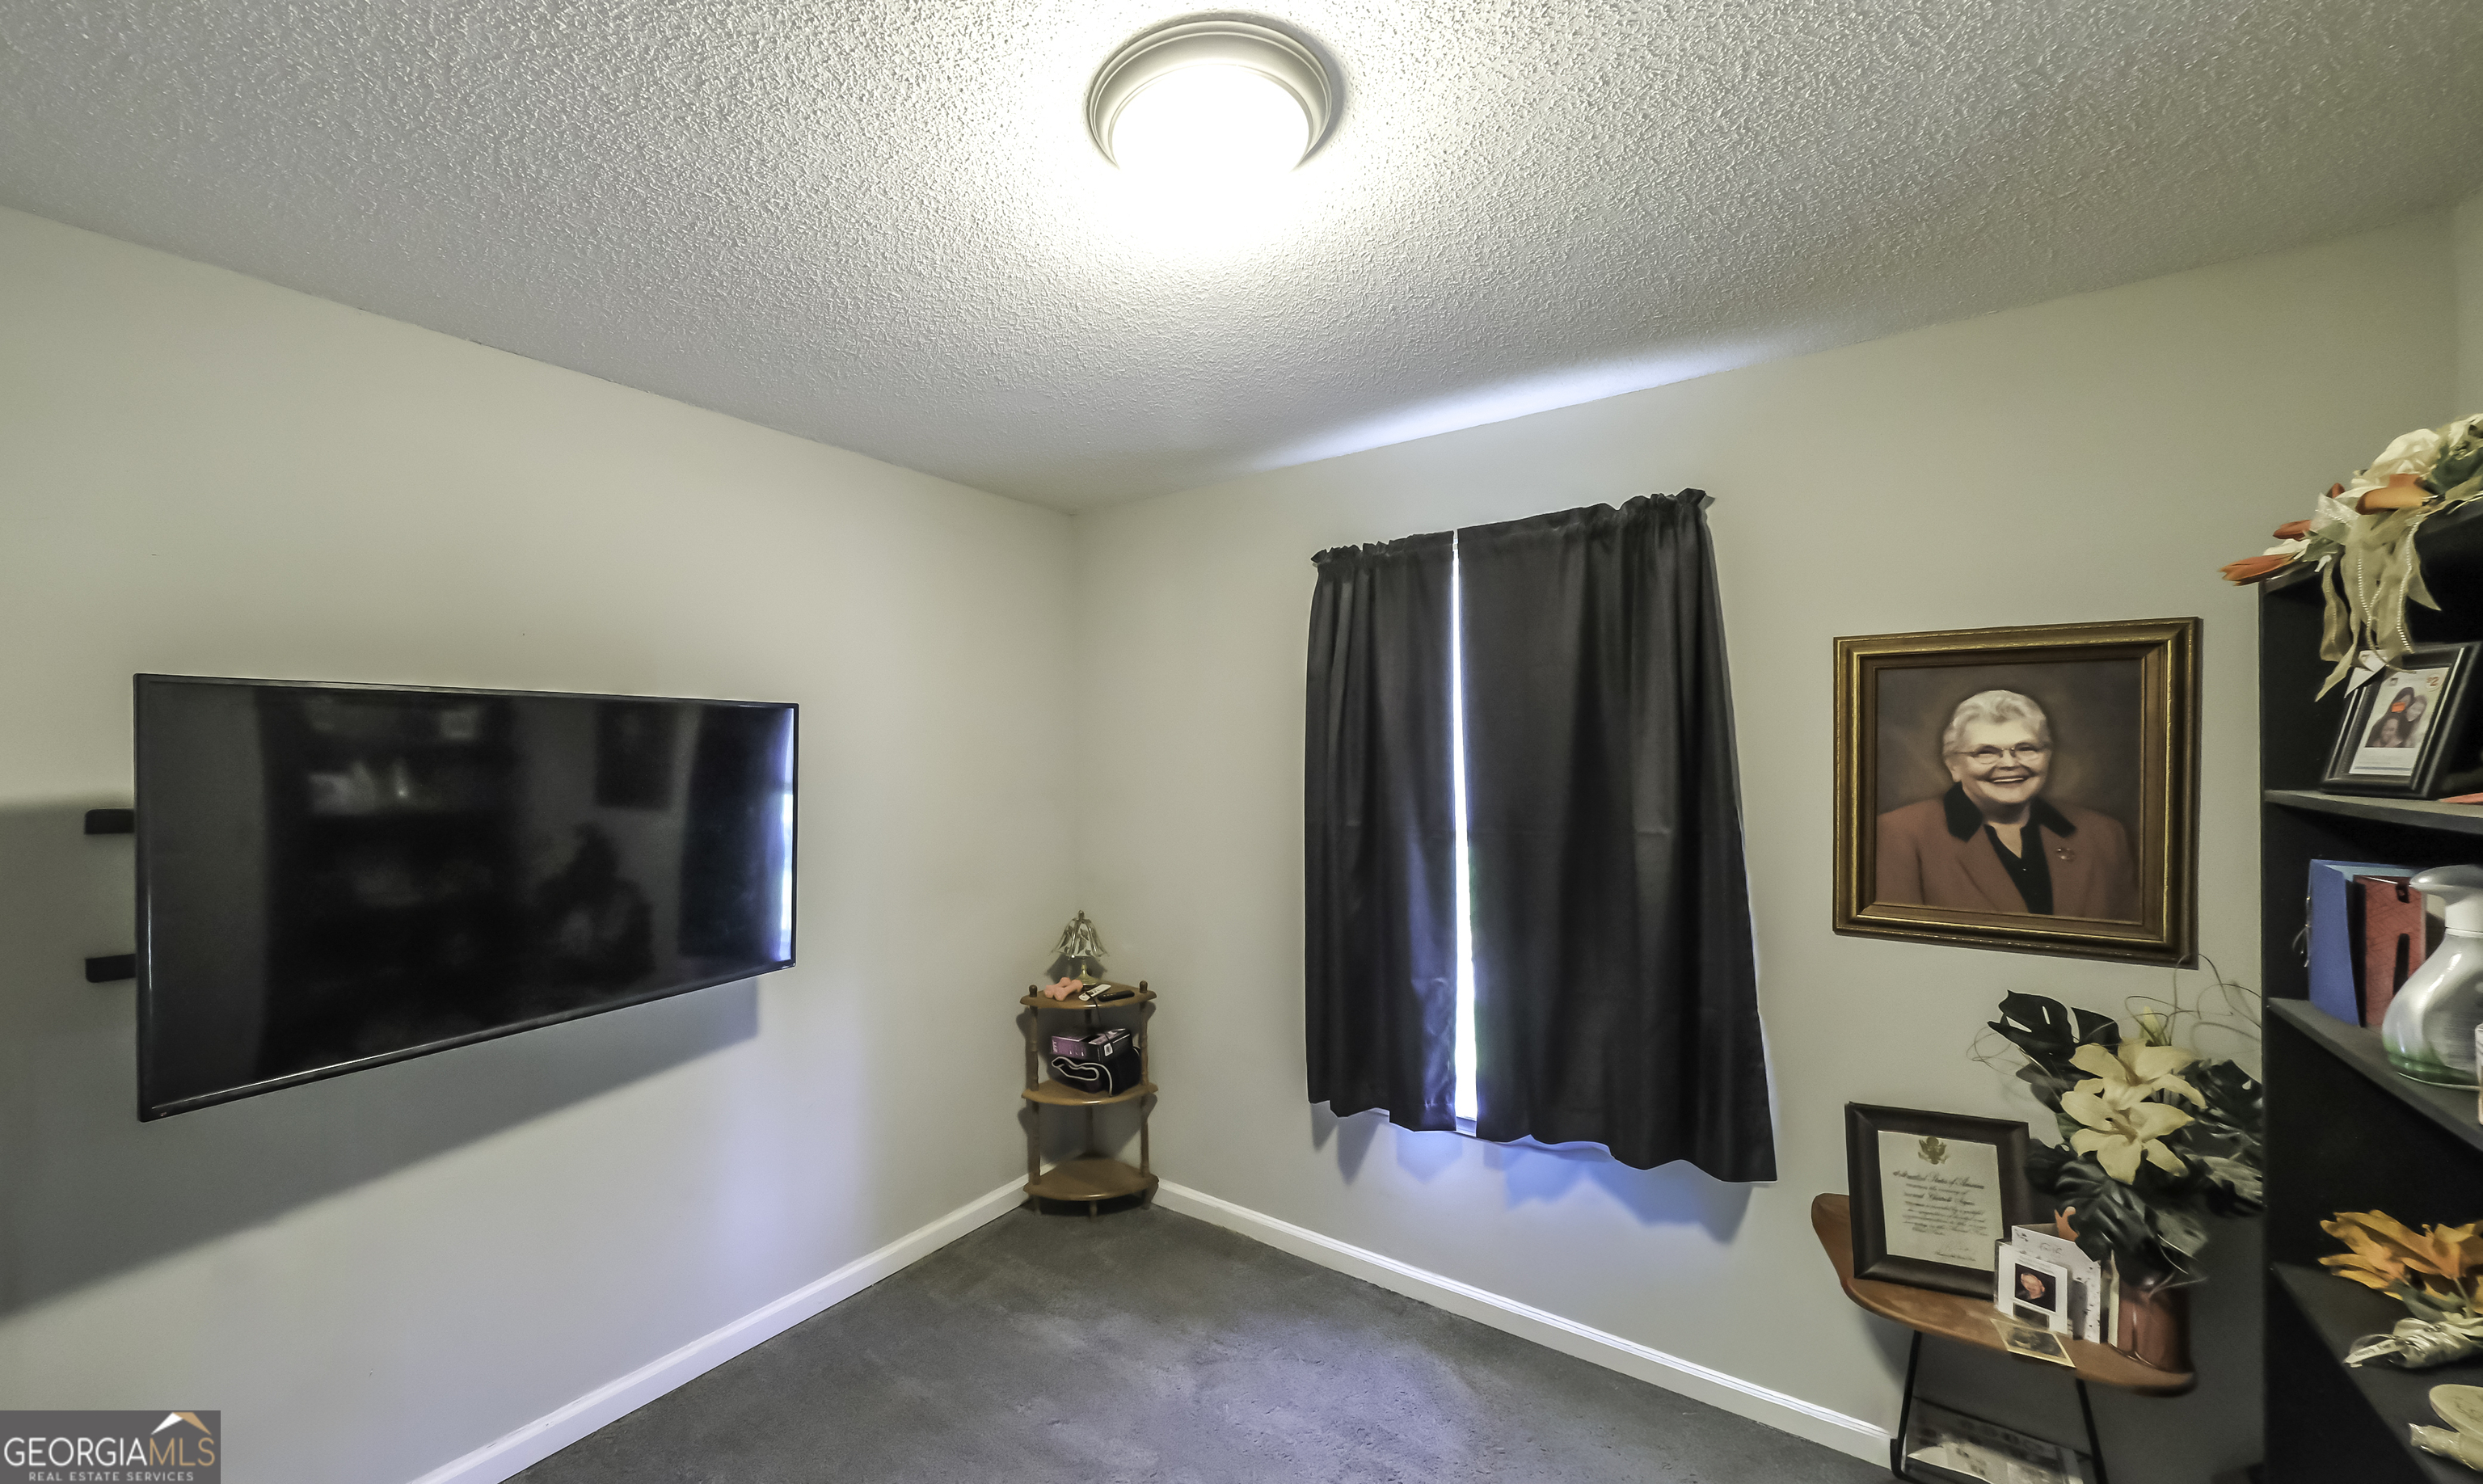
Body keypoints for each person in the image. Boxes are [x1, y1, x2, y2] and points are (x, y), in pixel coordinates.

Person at [1876, 689, 2139, 919]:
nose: (2010, 764)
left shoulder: (2104, 835)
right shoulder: (1901, 835)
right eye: (1986, 752)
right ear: (1954, 765)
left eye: (2026, 748)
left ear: (2047, 755)